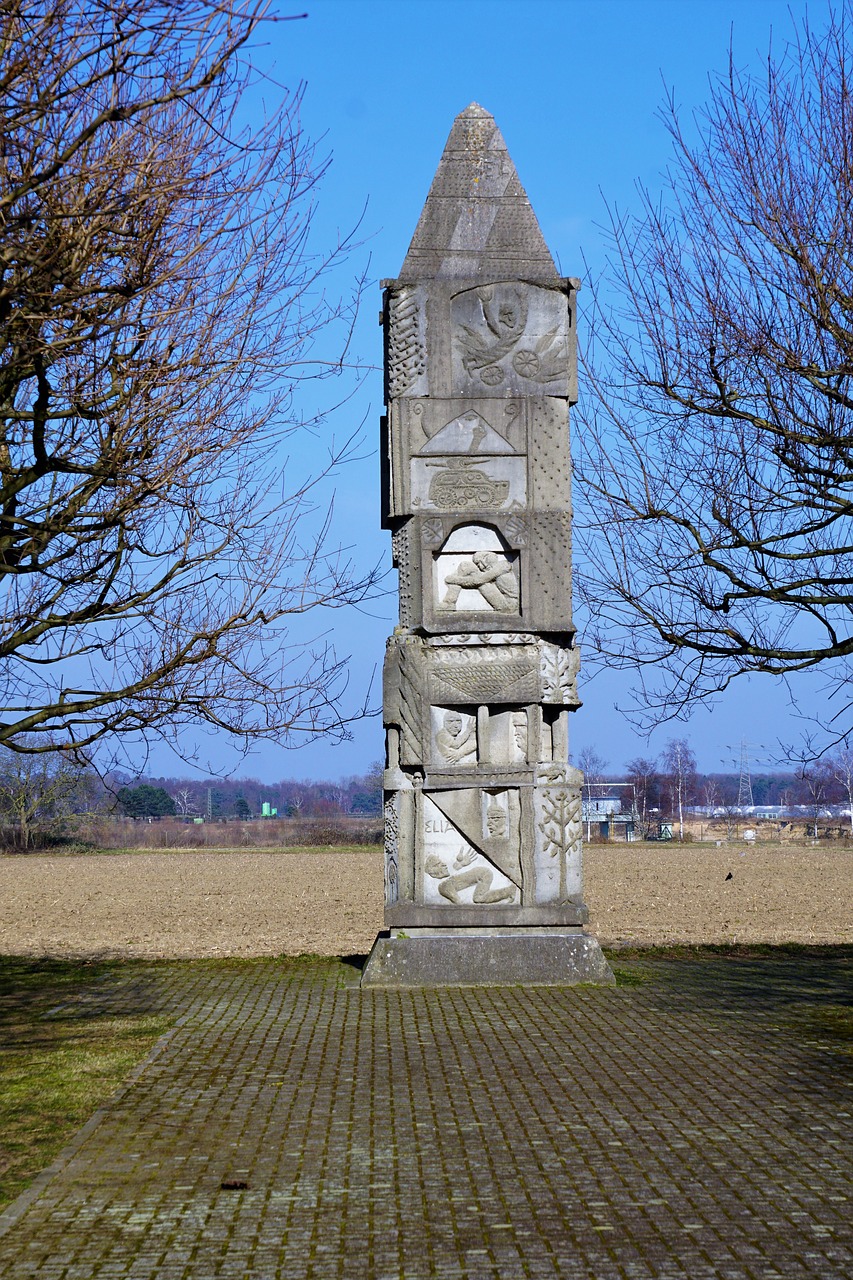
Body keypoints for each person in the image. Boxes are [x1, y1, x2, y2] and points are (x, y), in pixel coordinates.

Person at [439, 550, 518, 612]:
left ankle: (449, 602)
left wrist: (453, 580)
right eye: (477, 564)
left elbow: (478, 581)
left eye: (479, 563)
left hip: (508, 606)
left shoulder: (502, 566)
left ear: (486, 559)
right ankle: (449, 602)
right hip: (505, 602)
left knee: (482, 583)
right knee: (465, 565)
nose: (479, 566)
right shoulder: (499, 567)